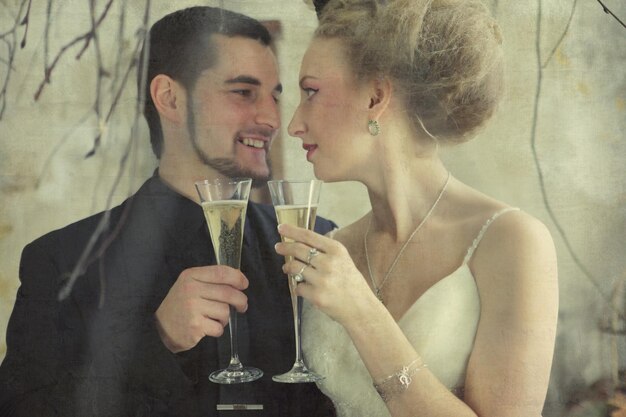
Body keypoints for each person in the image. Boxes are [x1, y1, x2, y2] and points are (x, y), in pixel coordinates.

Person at [0, 6, 337, 417]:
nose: (270, 118)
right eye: (243, 92)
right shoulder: (59, 262)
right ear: (170, 98)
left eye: (274, 96)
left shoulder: (317, 243)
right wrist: (157, 340)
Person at [275, 0, 559, 416]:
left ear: (375, 97)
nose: (294, 124)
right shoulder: (334, 247)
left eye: (312, 92)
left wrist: (362, 313)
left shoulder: (512, 242)